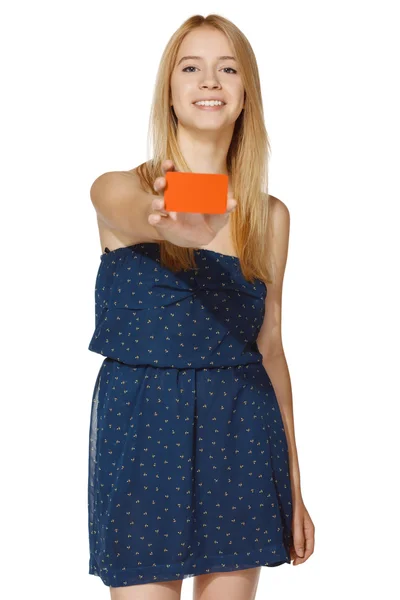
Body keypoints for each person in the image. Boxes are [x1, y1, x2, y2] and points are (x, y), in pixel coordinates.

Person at [87, 13, 315, 600]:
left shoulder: (271, 217)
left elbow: (271, 349)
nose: (209, 79)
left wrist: (294, 484)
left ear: (245, 96)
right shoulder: (119, 188)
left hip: (240, 432)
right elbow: (151, 213)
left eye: (227, 68)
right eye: (191, 67)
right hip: (142, 433)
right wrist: (182, 223)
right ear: (169, 91)